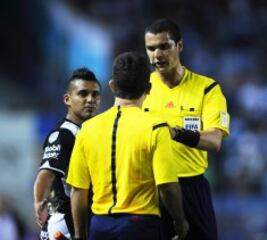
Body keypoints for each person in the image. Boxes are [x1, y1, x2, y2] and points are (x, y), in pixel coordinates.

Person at [67, 52, 189, 240]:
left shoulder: (87, 129)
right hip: (140, 226)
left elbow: (78, 190)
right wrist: (180, 222)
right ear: (149, 88)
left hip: (100, 227)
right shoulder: (156, 128)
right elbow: (167, 186)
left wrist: (79, 234)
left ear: (112, 86)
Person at [143, 19, 230, 240]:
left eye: (164, 46)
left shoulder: (207, 89)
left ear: (179, 46)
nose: (157, 55)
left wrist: (176, 133)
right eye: (151, 49)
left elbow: (214, 141)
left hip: (191, 188)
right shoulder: (141, 89)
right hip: (150, 187)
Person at [33, 68, 101, 240]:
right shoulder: (63, 135)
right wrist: (40, 205)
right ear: (67, 99)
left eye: (95, 95)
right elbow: (45, 175)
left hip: (85, 220)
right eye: (83, 94)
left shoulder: (89, 133)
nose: (90, 100)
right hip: (64, 222)